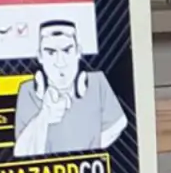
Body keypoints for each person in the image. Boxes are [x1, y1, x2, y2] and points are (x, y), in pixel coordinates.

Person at [12, 18, 127, 157]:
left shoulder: (97, 83)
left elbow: (118, 124)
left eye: (67, 51)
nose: (60, 62)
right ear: (40, 56)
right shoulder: (28, 91)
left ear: (78, 52)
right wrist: (44, 117)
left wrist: (90, 148)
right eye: (51, 52)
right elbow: (21, 152)